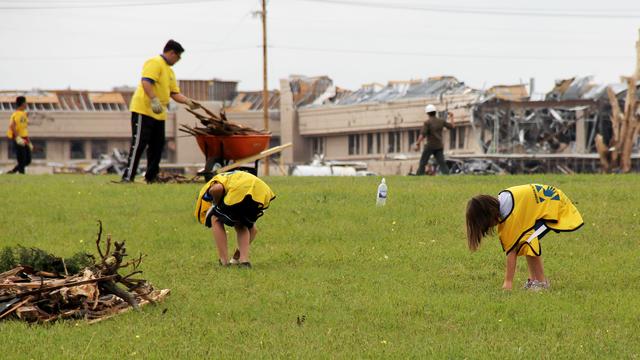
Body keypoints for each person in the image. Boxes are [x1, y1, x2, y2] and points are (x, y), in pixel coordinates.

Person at [465, 184, 584, 291]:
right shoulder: (504, 201)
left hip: (555, 206)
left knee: (529, 240)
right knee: (527, 241)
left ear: (489, 214)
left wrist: (508, 282)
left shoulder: (511, 216)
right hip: (551, 200)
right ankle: (534, 281)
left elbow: (511, 250)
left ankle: (541, 282)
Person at [121, 39, 199, 183]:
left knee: (157, 146)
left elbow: (174, 93)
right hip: (143, 109)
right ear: (171, 53)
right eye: (178, 56)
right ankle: (128, 177)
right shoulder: (155, 62)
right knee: (139, 144)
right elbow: (146, 82)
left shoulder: (169, 71)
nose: (178, 60)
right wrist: (154, 99)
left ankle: (150, 178)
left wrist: (188, 102)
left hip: (159, 113)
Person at [194, 170, 275, 268]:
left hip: (240, 189)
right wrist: (236, 256)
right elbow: (253, 231)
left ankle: (224, 262)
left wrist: (215, 204)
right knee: (242, 224)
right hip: (261, 191)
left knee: (215, 218)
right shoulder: (231, 177)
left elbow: (217, 188)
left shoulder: (211, 184)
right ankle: (243, 261)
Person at [413, 104, 455, 175]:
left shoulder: (427, 122)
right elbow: (452, 126)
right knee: (442, 163)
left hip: (430, 146)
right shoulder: (441, 121)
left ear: (427, 113)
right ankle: (447, 175)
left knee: (423, 162)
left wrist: (417, 143)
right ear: (435, 112)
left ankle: (419, 175)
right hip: (439, 146)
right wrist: (452, 117)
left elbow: (422, 134)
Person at [6, 96, 32, 174]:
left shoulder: (24, 114)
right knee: (22, 159)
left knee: (28, 160)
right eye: (26, 103)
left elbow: (24, 128)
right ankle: (21, 174)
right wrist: (17, 137)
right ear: (23, 104)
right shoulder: (15, 114)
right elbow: (12, 126)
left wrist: (28, 141)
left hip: (25, 138)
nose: (26, 105)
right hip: (18, 138)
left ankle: (13, 171)